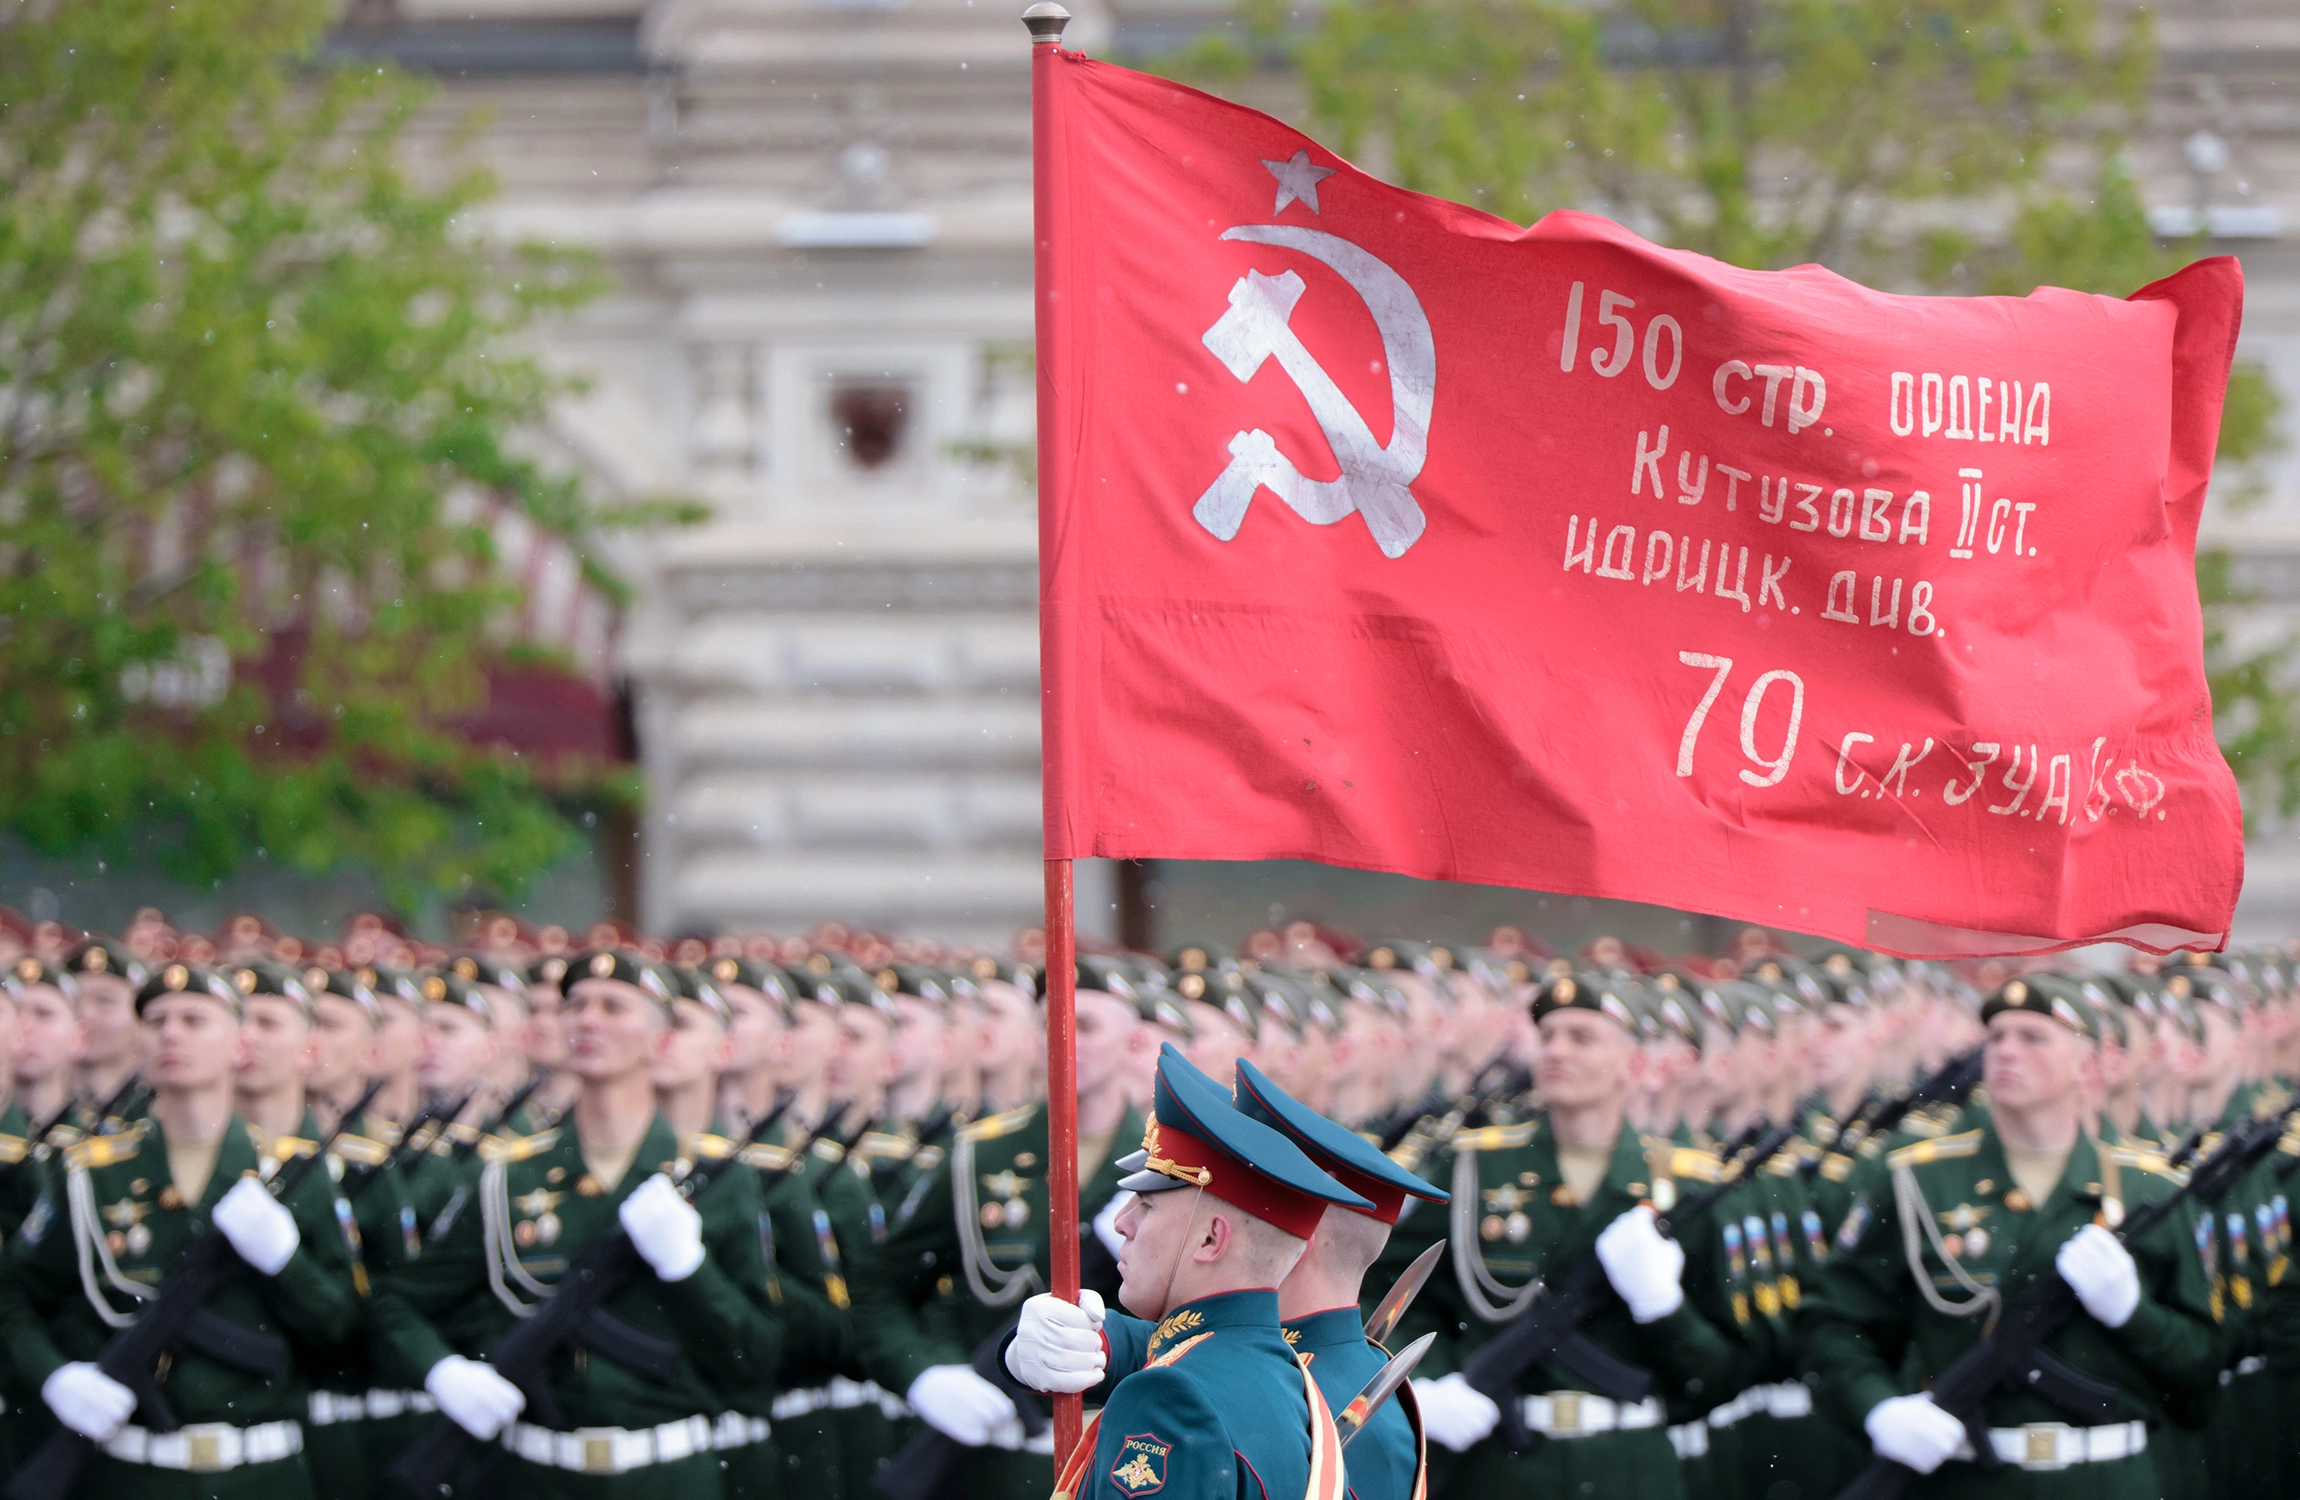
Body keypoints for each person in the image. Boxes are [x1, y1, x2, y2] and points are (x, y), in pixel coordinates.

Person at [369, 948, 832, 1500]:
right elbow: (398, 1304)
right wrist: (444, 1372)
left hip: (667, 1476)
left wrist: (691, 1269)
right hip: (537, 1476)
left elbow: (754, 1358)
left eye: (615, 1007)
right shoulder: (510, 1177)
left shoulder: (718, 1178)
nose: (589, 1020)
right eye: (578, 1007)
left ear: (660, 1041)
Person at [1796, 978, 2222, 1498]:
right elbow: (1834, 1324)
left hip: (2103, 1480)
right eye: (1996, 1037)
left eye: (2033, 1038)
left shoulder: (2147, 1189)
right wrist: (1878, 1407)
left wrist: (2134, 1313)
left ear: (2086, 1066)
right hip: (1969, 1480)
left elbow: (2203, 1365)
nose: (2005, 1052)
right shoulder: (1916, 1181)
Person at [1009, 1049, 1447, 1500]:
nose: (1121, 1223)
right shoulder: (1320, 1368)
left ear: (1301, 1235)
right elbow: (1198, 1348)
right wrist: (1075, 1339)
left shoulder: (1254, 1385)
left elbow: (1200, 1373)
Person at [0, 961, 362, 1497]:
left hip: (261, 1475)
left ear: (240, 1044)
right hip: (134, 1475)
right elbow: (15, 1298)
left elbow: (343, 1328)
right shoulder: (88, 1174)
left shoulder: (292, 1172)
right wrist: (55, 1376)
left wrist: (289, 1262)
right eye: (156, 1021)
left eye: (195, 1020)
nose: (171, 1032)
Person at [1409, 973, 1753, 1500]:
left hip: (1630, 1469)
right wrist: (1427, 1385)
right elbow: (1396, 1294)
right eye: (1547, 1036)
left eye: (1582, 1037)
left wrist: (1664, 1308)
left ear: (1635, 1062)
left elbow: (1726, 1370)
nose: (1556, 1052)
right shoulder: (1472, 1167)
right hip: (1499, 1466)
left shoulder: (1688, 1182)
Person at [848, 959, 1145, 1500]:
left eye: (1087, 1026)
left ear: (1133, 1040)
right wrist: (923, 1375)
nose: (1064, 1041)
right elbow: (879, 1284)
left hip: (1126, 1464)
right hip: (1000, 1465)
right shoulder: (981, 1155)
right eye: (1050, 1024)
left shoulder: (1171, 1162)